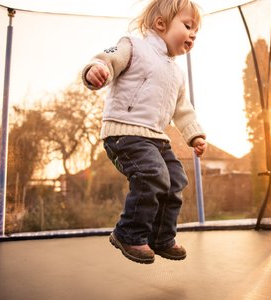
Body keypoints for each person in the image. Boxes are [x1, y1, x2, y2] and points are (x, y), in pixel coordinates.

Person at [82, 0, 207, 264]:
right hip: (125, 133)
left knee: (175, 181)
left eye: (196, 30)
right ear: (161, 24)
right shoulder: (133, 45)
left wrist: (194, 134)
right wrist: (98, 68)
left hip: (156, 139)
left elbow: (183, 109)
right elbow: (108, 57)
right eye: (188, 26)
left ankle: (160, 237)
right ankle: (128, 233)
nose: (193, 34)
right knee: (153, 174)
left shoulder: (176, 73)